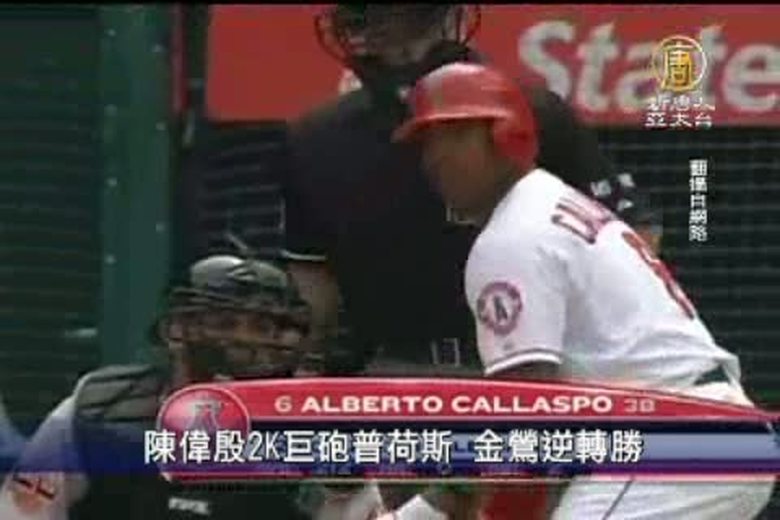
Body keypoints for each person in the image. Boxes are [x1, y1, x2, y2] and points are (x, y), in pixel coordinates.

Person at [284, 5, 661, 517]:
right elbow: (312, 283)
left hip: (523, 371)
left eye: (407, 18)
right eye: (367, 19)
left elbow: (632, 232)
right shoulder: (317, 137)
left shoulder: (528, 109)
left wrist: (598, 358)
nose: (386, 37)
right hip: (393, 377)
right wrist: (309, 373)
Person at [379, 61, 777, 519]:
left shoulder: (512, 238)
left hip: (675, 442)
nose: (434, 159)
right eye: (426, 143)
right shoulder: (549, 202)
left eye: (454, 136)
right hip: (707, 437)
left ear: (507, 135)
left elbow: (525, 421)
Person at [0, 253, 384, 520]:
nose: (245, 341)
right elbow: (23, 510)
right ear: (176, 331)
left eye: (262, 328)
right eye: (225, 323)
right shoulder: (101, 410)